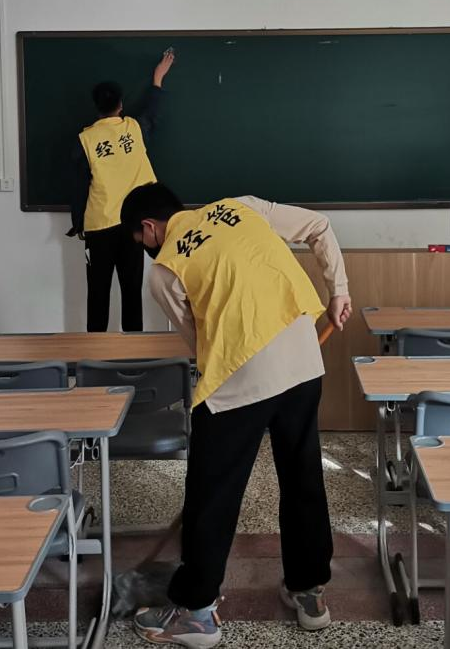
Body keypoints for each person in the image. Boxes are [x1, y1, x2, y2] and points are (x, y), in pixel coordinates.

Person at [119, 183, 352, 648]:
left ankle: (197, 614)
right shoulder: (240, 207)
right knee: (303, 476)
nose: (144, 247)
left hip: (240, 377)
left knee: (212, 494)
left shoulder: (164, 271)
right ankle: (308, 591)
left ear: (149, 227)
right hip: (304, 358)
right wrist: (338, 292)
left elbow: (201, 345)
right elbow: (319, 225)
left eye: (139, 239)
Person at [69, 50, 176, 331]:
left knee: (97, 294)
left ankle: (95, 350)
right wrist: (157, 79)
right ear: (120, 104)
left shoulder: (85, 139)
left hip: (99, 227)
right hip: (134, 226)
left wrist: (78, 223)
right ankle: (134, 351)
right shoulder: (134, 129)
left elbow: (79, 187)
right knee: (131, 292)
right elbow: (153, 112)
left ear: (97, 106)